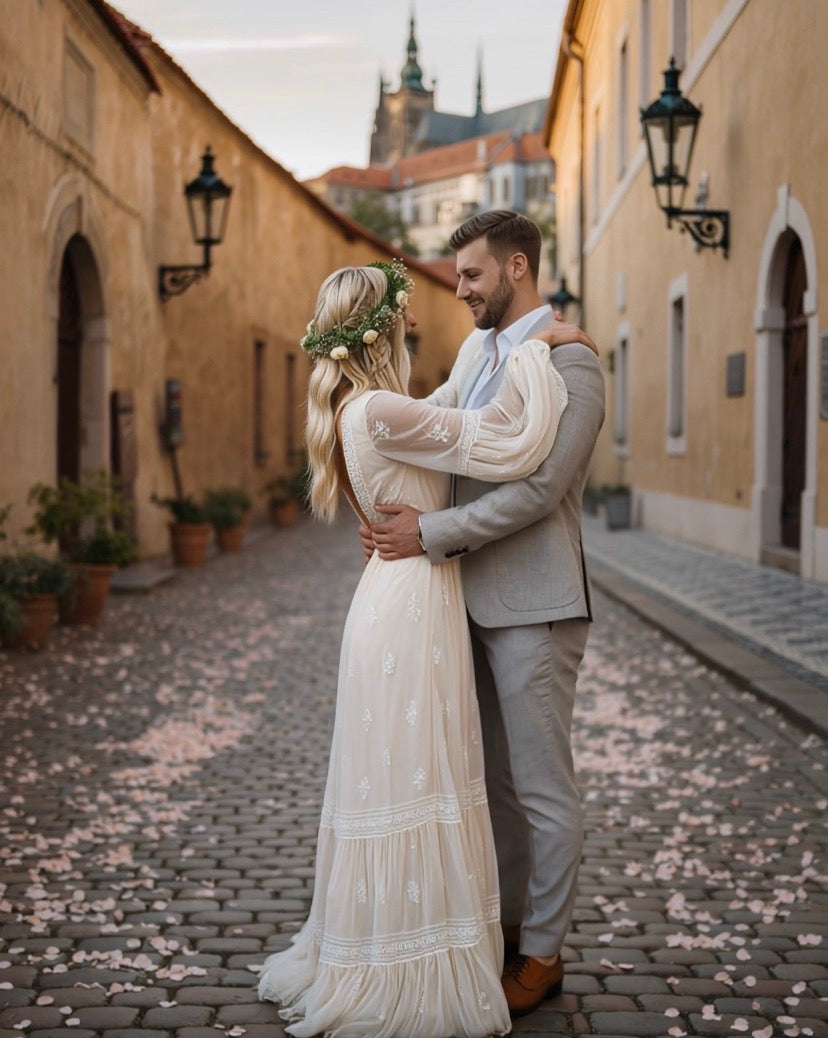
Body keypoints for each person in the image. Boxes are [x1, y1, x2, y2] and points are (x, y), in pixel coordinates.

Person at [257, 259, 583, 1038]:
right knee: (419, 776)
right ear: (378, 325)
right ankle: (412, 957)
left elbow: (446, 403)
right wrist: (540, 347)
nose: (416, 322)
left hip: (399, 597)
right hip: (409, 608)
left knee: (406, 775)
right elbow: (500, 438)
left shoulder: (370, 409)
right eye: (402, 313)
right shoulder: (379, 411)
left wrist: (497, 347)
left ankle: (409, 937)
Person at [366, 211, 606, 1018]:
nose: (459, 290)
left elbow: (540, 493)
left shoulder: (573, 364)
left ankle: (543, 955)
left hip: (536, 605)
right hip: (460, 599)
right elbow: (432, 426)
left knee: (542, 789)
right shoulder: (477, 353)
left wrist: (428, 534)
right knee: (491, 784)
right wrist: (360, 390)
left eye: (470, 275)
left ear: (516, 266)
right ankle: (503, 929)